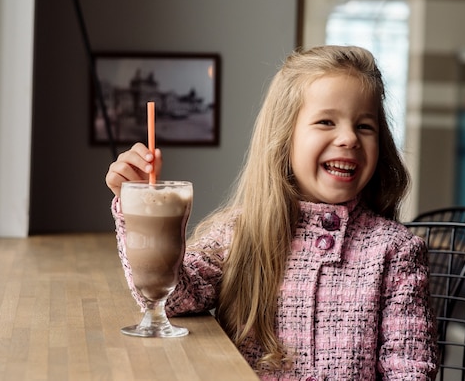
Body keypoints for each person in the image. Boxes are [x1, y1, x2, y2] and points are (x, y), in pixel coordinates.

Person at [106, 45, 439, 380]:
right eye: (326, 121)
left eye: (365, 126)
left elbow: (410, 371)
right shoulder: (239, 231)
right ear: (285, 136)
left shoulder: (396, 250)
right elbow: (175, 298)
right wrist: (136, 205)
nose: (349, 138)